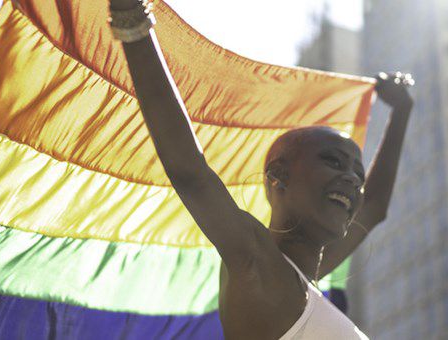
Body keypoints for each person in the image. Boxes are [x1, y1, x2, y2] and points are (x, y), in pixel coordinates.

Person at [108, 1, 413, 338]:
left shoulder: (300, 282)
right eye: (333, 161)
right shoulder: (260, 269)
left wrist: (402, 111)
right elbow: (191, 173)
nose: (353, 180)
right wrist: (132, 19)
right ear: (278, 175)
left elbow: (374, 206)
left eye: (358, 173)